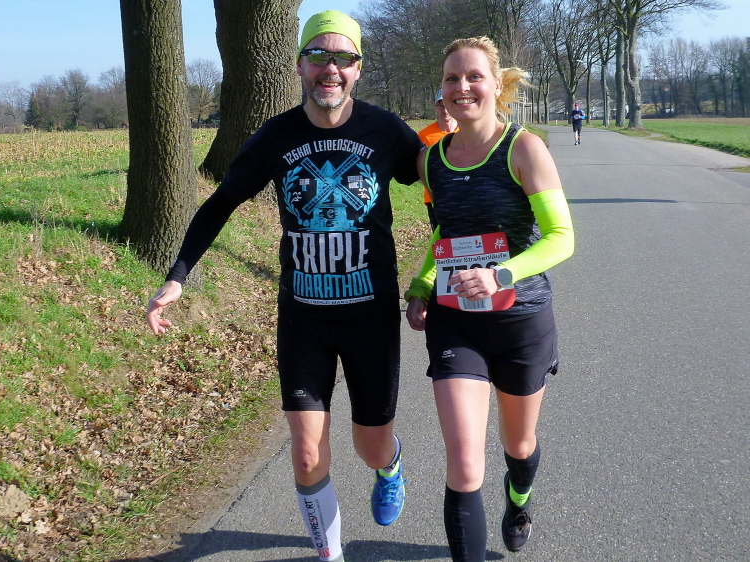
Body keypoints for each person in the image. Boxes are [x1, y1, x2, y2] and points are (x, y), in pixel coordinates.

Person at [146, 10, 423, 562]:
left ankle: (390, 466)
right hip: (304, 319)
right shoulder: (276, 137)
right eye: (318, 55)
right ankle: (331, 555)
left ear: (358, 69)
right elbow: (221, 203)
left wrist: (448, 271)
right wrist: (178, 276)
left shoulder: (385, 130)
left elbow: (442, 179)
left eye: (343, 57)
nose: (330, 68)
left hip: (371, 317)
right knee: (306, 453)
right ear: (299, 64)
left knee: (370, 446)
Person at [403, 36, 574, 561]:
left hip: (521, 321)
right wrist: (422, 284)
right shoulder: (432, 161)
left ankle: (518, 500)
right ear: (442, 89)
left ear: (496, 85)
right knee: (464, 463)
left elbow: (561, 237)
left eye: (474, 76)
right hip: (457, 322)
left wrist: (501, 275)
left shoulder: (524, 148)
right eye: (452, 78)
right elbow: (447, 234)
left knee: (518, 446)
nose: (462, 87)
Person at [418, 89, 460, 229]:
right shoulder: (424, 136)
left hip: (466, 193)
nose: (445, 110)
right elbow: (418, 170)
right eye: (441, 106)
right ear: (436, 107)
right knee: (442, 238)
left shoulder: (466, 132)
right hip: (436, 197)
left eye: (447, 105)